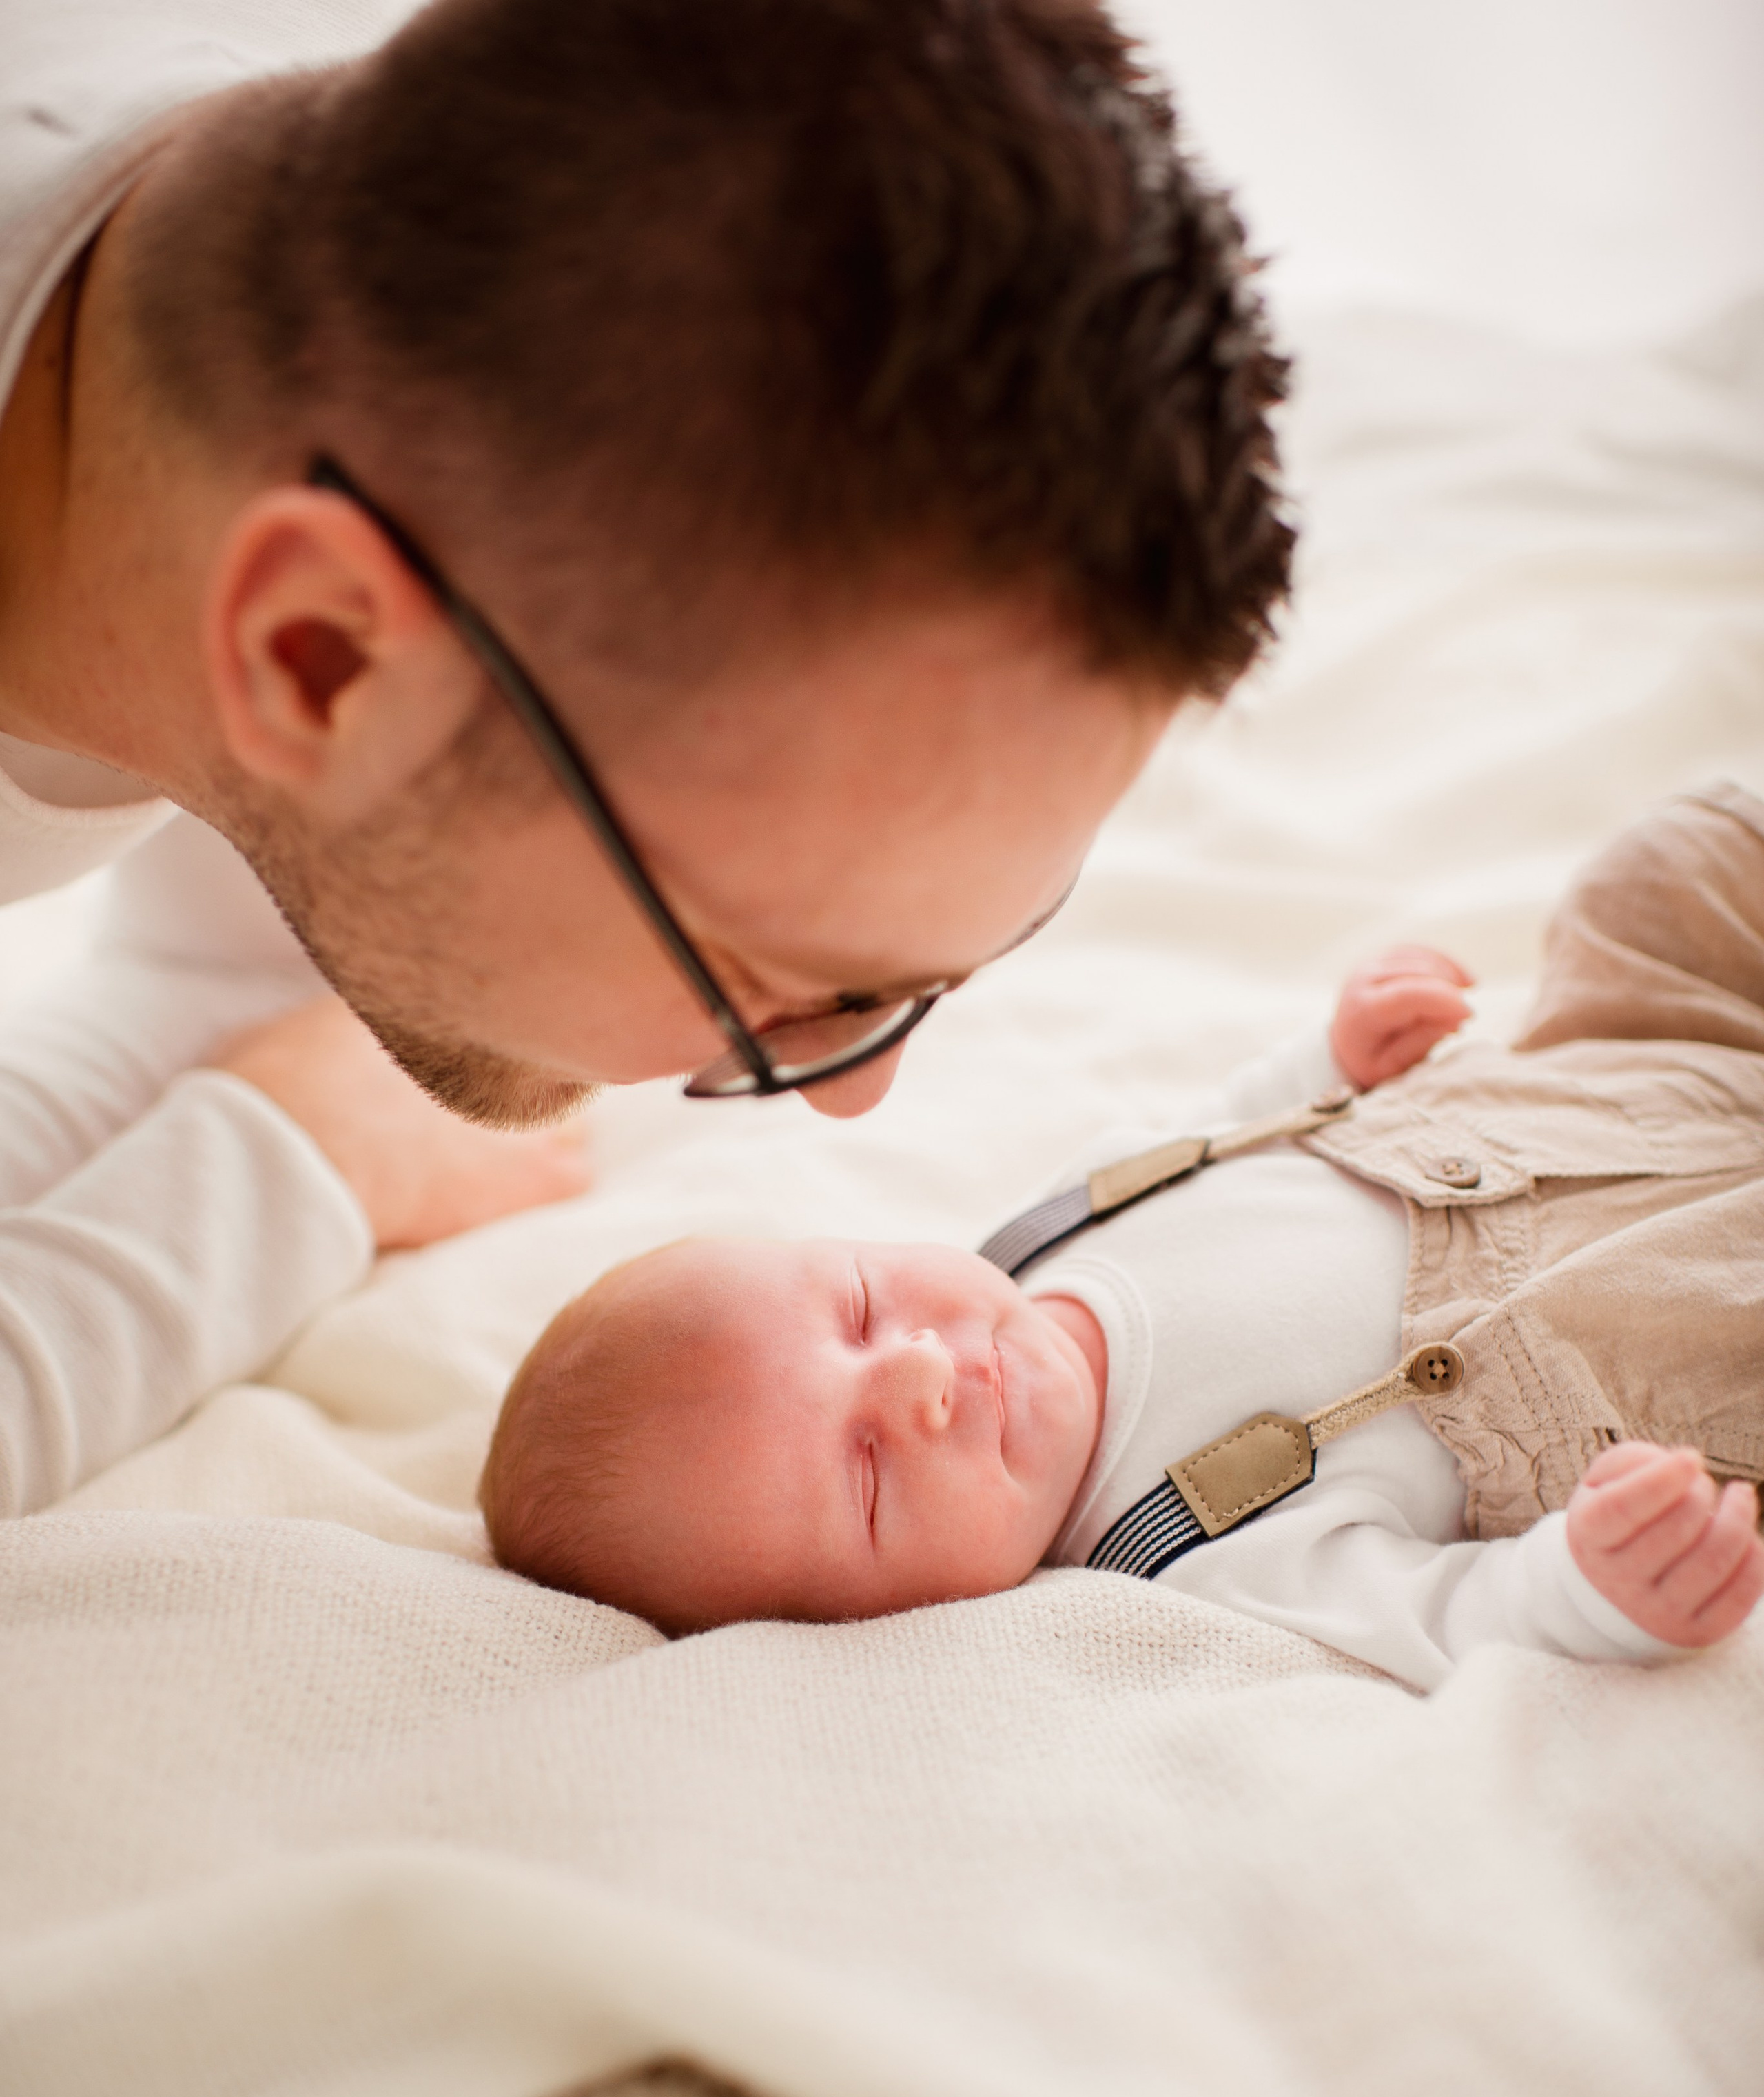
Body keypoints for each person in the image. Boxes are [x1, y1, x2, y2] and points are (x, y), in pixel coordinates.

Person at [0, 0, 1292, 1513]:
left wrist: (299, 1108)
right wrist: (291, 1168)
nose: (842, 1097)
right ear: (320, 655)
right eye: (780, 980)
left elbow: (246, 979)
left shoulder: (317, 315)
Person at [480, 788, 1764, 1692]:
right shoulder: (1185, 1553)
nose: (921, 1377)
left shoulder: (1037, 1241)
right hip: (1638, 1300)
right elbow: (1436, 1617)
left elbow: (1203, 1138)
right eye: (865, 1473)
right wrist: (1590, 1589)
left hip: (1577, 1093)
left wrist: (1330, 1060)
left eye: (864, 1309)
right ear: (876, 1626)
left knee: (1663, 882)